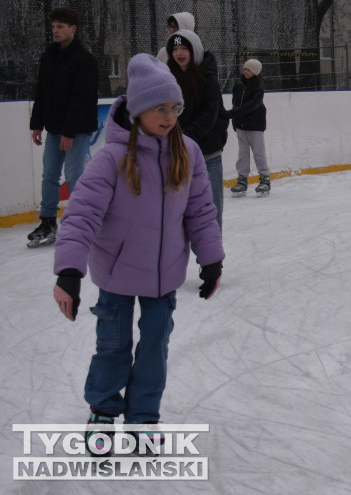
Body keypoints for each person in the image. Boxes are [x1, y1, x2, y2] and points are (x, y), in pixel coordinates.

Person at [51, 53, 223, 456]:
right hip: (116, 275)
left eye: (175, 108)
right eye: (160, 108)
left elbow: (200, 211)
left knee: (154, 346)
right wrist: (69, 272)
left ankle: (144, 415)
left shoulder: (189, 153)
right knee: (112, 346)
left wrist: (211, 259)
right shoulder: (112, 158)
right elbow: (81, 214)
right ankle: (103, 411)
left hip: (164, 276)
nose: (168, 116)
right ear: (139, 109)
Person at [27, 7, 99, 248]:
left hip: (77, 130)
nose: (55, 31)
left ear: (73, 29)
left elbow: (82, 99)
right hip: (54, 128)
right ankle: (48, 221)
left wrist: (69, 131)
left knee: (74, 176)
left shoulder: (85, 60)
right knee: (49, 174)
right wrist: (37, 124)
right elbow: (42, 92)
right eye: (54, 27)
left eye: (60, 27)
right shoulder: (49, 57)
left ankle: (82, 222)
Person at [165, 29, 229, 229]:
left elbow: (208, 115)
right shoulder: (168, 78)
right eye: (175, 48)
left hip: (207, 153)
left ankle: (212, 257)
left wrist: (183, 137)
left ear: (195, 51)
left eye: (184, 48)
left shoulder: (208, 78)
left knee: (210, 208)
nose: (179, 53)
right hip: (177, 155)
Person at [228, 59, 271, 197]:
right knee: (243, 154)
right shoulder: (238, 87)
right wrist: (235, 121)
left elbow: (252, 106)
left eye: (249, 69)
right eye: (245, 69)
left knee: (259, 153)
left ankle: (264, 179)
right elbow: (235, 104)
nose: (246, 71)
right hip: (241, 126)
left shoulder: (258, 88)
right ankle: (242, 180)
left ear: (256, 72)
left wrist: (231, 114)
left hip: (255, 126)